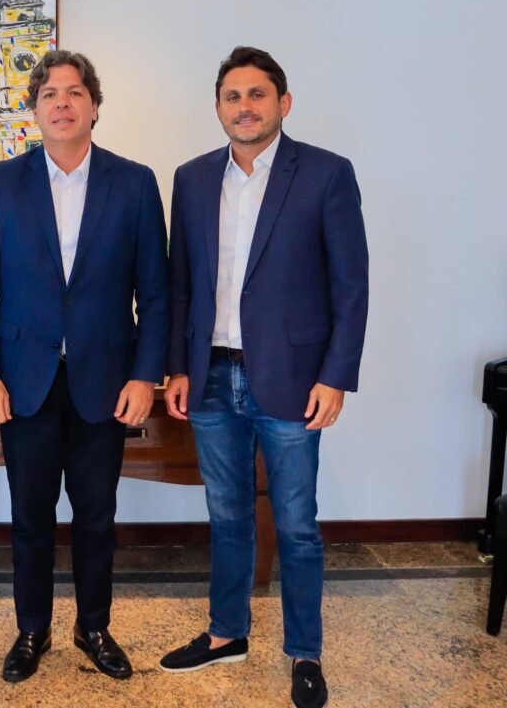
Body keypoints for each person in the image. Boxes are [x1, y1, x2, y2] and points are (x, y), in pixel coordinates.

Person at [158, 46, 368, 708]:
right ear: (218, 107)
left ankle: (304, 651)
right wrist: (176, 366)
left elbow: (351, 286)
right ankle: (227, 632)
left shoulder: (327, 174)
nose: (244, 106)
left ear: (284, 102)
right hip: (210, 375)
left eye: (257, 94)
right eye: (232, 96)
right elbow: (180, 284)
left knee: (297, 523)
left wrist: (336, 375)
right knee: (226, 515)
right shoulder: (192, 178)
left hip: (293, 377)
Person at [0, 50, 170, 682]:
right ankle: (32, 629)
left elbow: (155, 293)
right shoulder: (2, 182)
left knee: (97, 516)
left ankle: (93, 626)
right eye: (49, 93)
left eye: (75, 92)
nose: (62, 103)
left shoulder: (134, 183)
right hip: (23, 383)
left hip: (106, 382)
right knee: (30, 516)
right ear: (34, 110)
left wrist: (145, 375)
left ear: (94, 106)